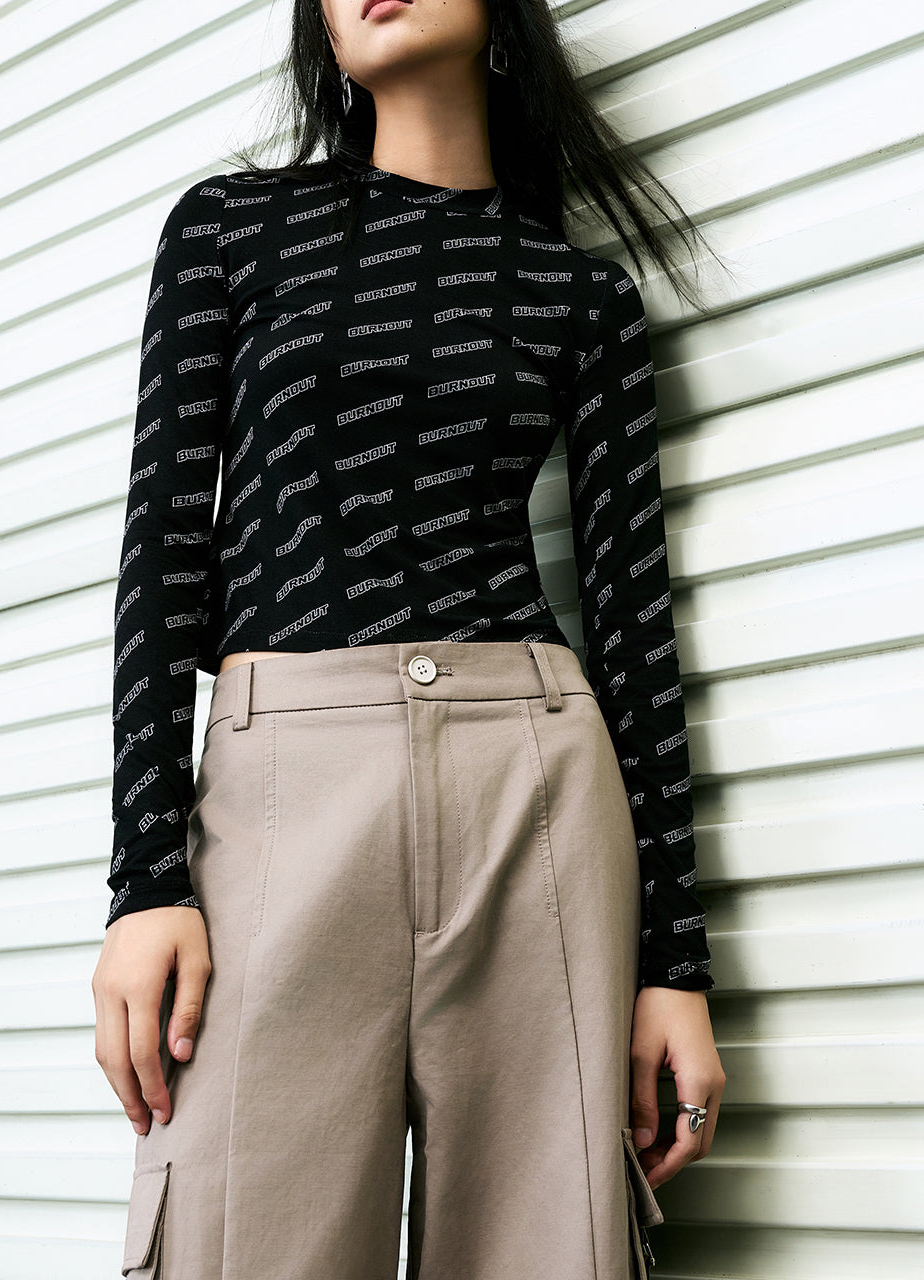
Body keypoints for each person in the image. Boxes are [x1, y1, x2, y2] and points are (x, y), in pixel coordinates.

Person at [92, 1, 726, 1276]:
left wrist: (674, 965)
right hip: (288, 787)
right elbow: (161, 547)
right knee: (241, 1239)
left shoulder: (578, 295)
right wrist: (146, 883)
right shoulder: (234, 229)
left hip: (531, 785)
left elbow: (632, 621)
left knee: (548, 1248)